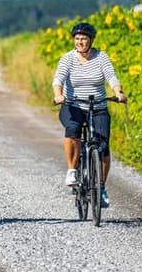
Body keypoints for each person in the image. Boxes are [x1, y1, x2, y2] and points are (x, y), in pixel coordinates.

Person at [52, 21, 126, 208]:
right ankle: (72, 171)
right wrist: (58, 95)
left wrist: (118, 92)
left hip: (98, 106)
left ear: (91, 40)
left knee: (102, 147)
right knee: (73, 128)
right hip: (73, 105)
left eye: (84, 39)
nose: (80, 42)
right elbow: (58, 78)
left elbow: (111, 76)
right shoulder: (68, 59)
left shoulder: (101, 57)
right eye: (77, 39)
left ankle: (100, 187)